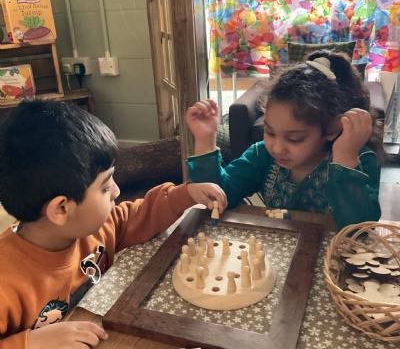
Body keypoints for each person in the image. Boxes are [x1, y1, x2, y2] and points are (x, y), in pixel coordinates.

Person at [0, 99, 227, 349]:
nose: (117, 191)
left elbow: (138, 216)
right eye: (106, 186)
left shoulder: (93, 228)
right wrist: (28, 343)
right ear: (62, 209)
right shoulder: (5, 282)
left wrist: (186, 194)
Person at [186, 50, 383, 230]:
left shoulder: (358, 158)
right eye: (270, 132)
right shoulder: (262, 155)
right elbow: (218, 196)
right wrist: (205, 140)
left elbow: (359, 229)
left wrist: (346, 158)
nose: (277, 148)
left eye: (294, 139)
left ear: (332, 129)